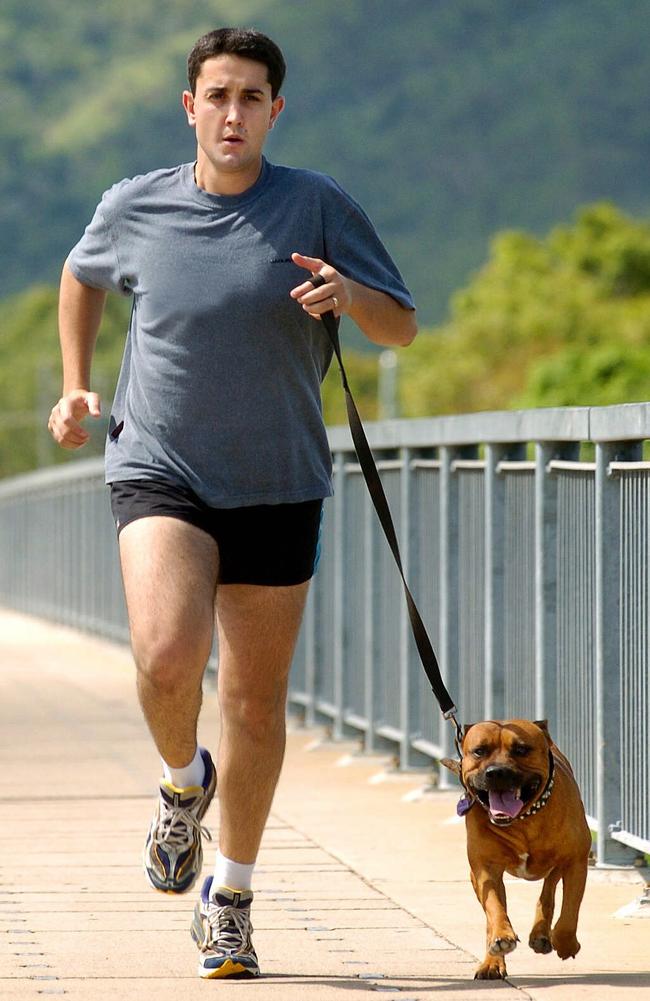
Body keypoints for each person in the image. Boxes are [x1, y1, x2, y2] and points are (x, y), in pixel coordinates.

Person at [48, 26, 416, 980]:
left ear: (275, 111)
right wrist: (76, 382)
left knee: (252, 701)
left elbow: (403, 327)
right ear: (190, 107)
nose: (233, 113)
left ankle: (233, 896)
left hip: (280, 478)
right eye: (217, 95)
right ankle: (182, 783)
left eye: (252, 97)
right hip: (159, 465)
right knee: (168, 653)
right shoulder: (136, 205)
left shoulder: (318, 203)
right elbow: (81, 276)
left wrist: (350, 296)